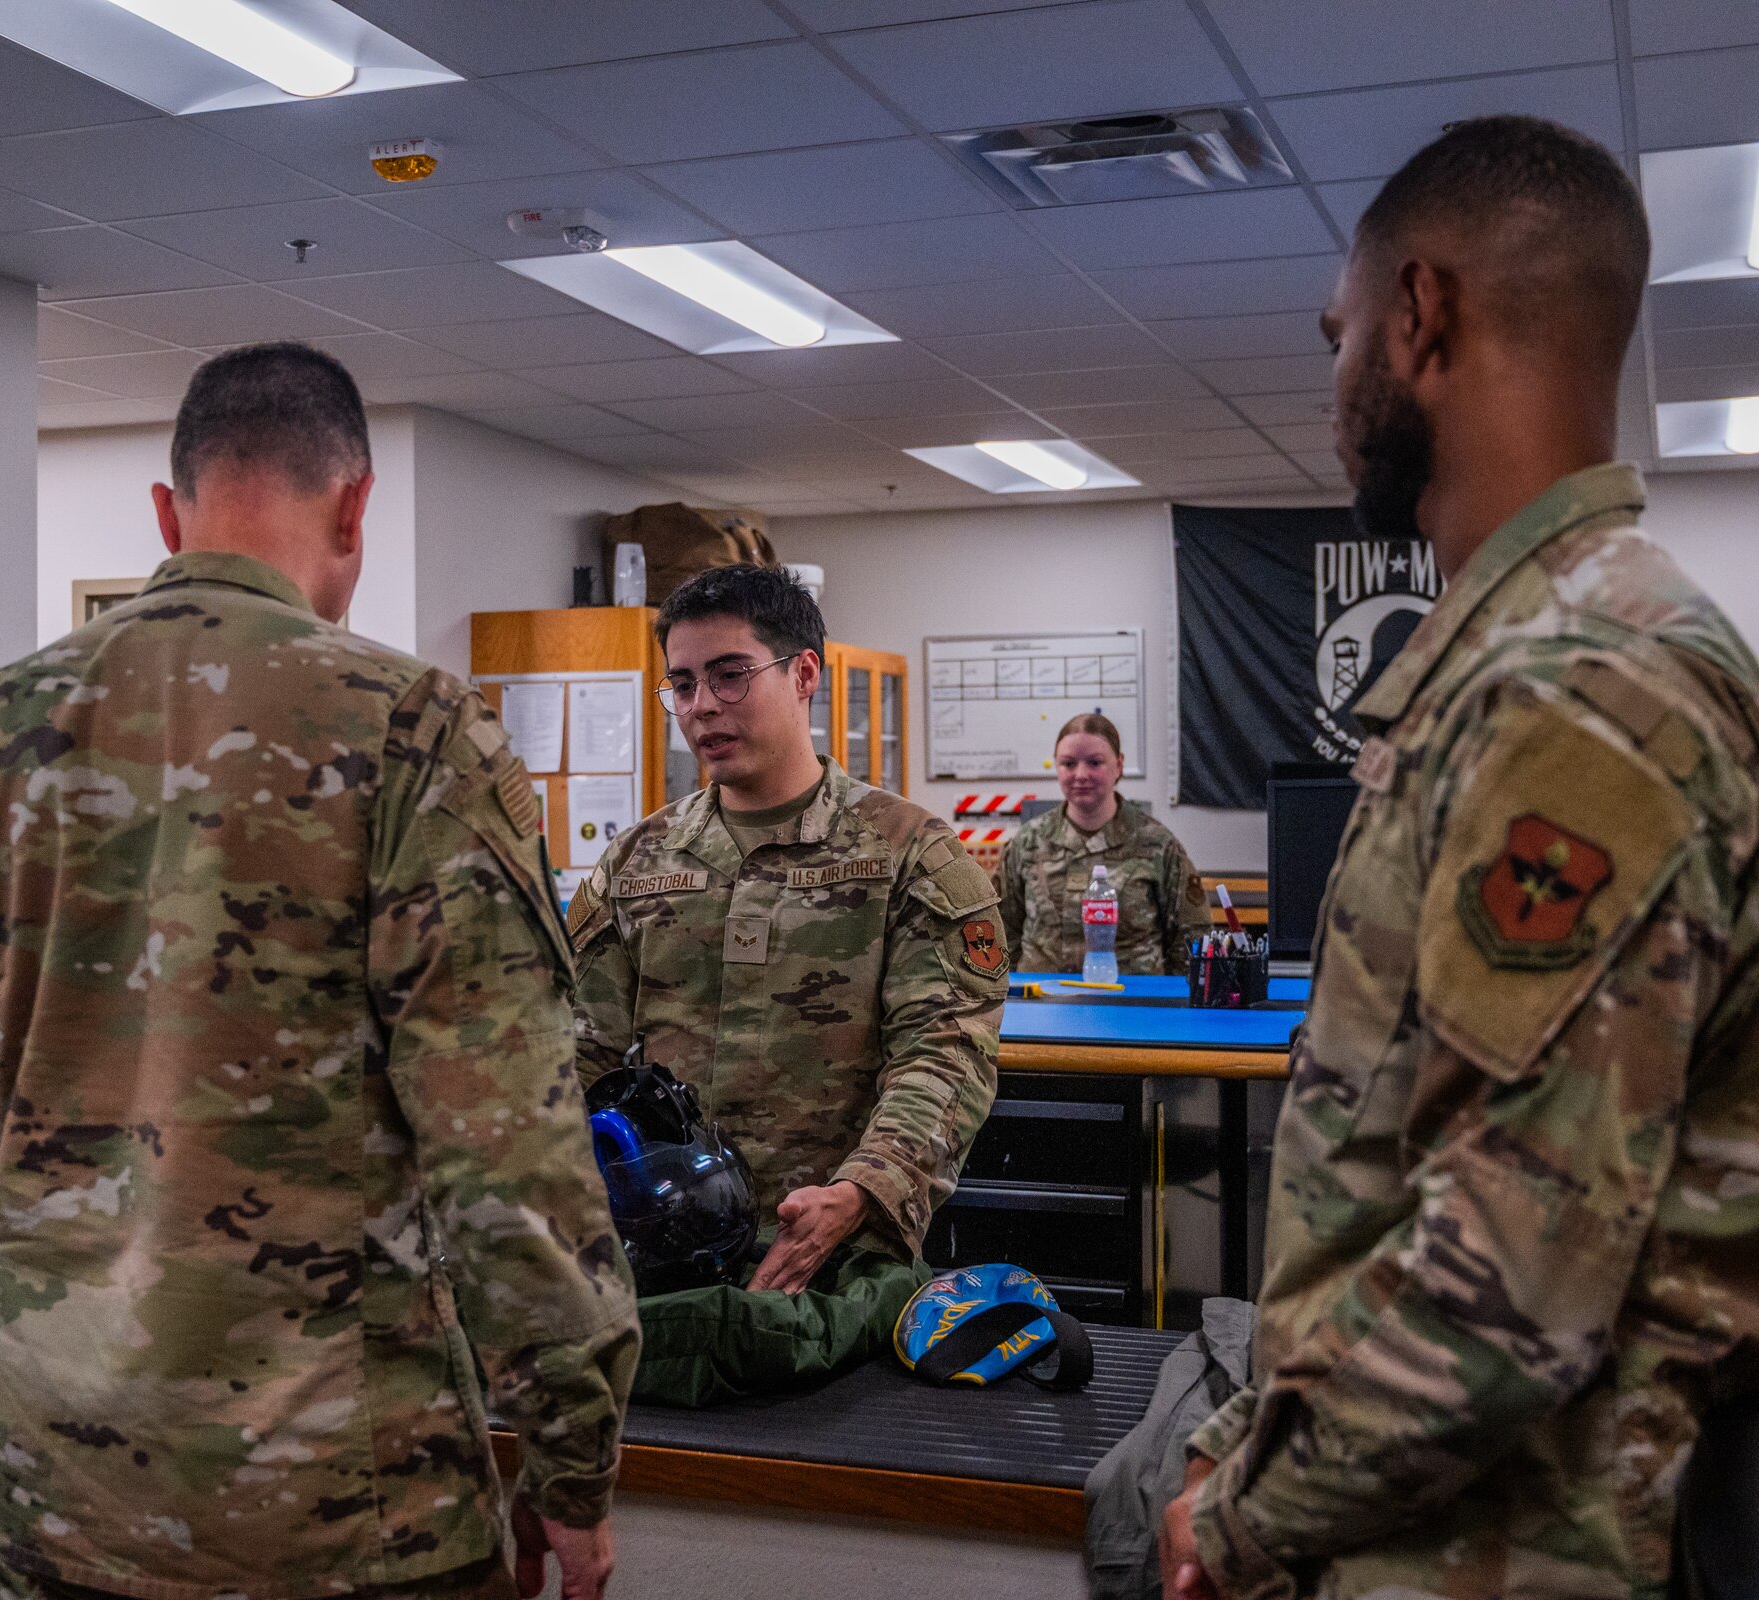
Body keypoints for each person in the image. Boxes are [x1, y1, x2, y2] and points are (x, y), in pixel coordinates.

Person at [0, 344, 638, 1600]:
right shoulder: (415, 732)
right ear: (355, 508)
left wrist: (11, 1296)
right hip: (346, 1507)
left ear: (168, 515)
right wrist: (570, 1466)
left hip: (63, 1495)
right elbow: (510, 1153)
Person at [1158, 116, 1759, 1600]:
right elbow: (1408, 1158)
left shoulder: (1584, 689)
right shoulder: (1519, 661)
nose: (1334, 385)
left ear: (1420, 315)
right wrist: (1252, 1435)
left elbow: (1505, 1296)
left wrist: (1236, 1522)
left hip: (1515, 1544)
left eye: (1339, 334)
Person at [569, 564, 1003, 1323]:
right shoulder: (637, 860)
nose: (703, 706)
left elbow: (944, 1054)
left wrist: (863, 1191)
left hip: (838, 1262)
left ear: (804, 674)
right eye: (683, 683)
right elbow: (575, 1053)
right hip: (658, 1260)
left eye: (731, 675)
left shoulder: (910, 854)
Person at [998, 712, 1210, 974]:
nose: (1081, 774)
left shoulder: (1157, 844)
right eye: (1068, 764)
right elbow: (1001, 931)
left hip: (1131, 1002)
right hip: (1043, 1000)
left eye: (1095, 762)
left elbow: (1190, 940)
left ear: (1118, 766)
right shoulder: (1027, 842)